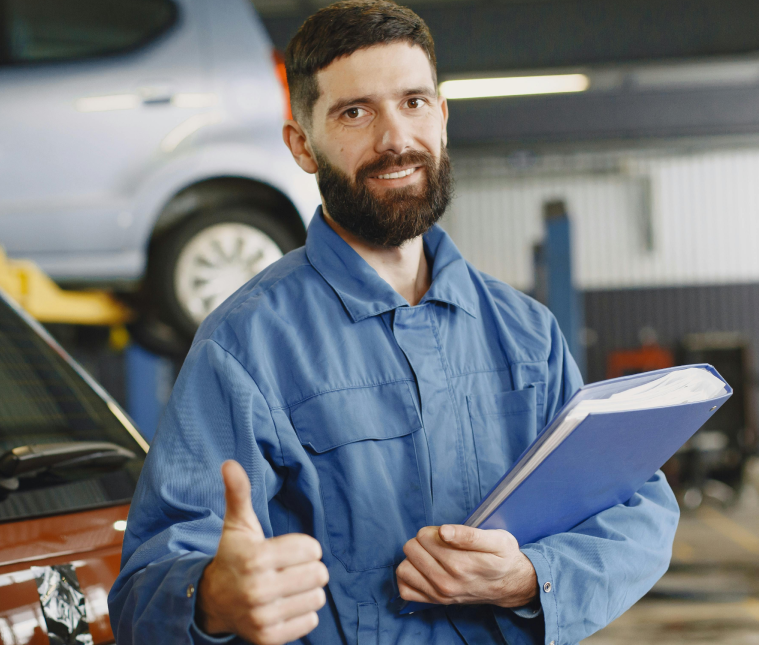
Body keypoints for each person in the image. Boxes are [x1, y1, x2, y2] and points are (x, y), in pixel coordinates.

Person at [107, 1, 679, 643]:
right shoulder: (245, 348)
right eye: (355, 112)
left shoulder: (528, 333)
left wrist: (530, 576)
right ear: (302, 145)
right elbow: (141, 594)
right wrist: (212, 598)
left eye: (413, 102)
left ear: (441, 117)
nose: (395, 140)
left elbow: (636, 508)